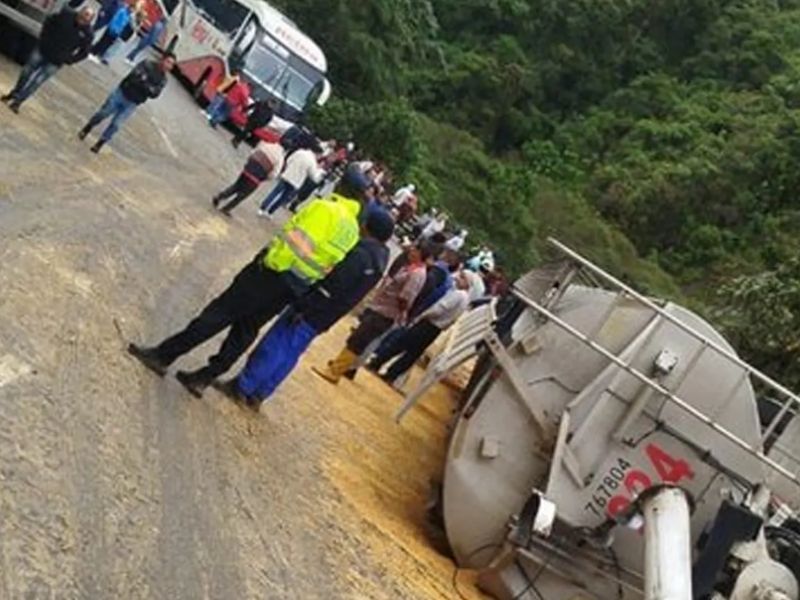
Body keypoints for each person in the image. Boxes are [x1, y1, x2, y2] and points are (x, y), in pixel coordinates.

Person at [127, 178, 368, 397]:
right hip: (295, 286)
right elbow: (327, 263)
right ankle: (204, 377)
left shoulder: (326, 208)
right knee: (246, 329)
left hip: (273, 271)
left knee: (219, 313)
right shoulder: (352, 230)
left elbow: (298, 241)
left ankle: (163, 356)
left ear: (343, 188)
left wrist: (274, 259)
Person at [214, 208, 396, 409]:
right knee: (290, 353)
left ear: (368, 228)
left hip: (312, 309)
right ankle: (259, 393)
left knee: (274, 345)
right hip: (326, 316)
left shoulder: (361, 254)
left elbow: (332, 285)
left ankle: (242, 386)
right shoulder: (379, 261)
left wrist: (304, 306)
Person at [313, 244, 430, 384]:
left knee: (359, 340)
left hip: (386, 312)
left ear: (421, 254)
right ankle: (338, 365)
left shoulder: (417, 274)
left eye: (416, 250)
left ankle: (335, 371)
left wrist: (398, 310)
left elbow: (405, 297)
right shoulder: (411, 268)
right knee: (357, 337)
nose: (411, 251)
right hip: (381, 308)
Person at [368, 272, 471, 386]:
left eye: (462, 278)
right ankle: (391, 374)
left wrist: (423, 315)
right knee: (412, 354)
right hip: (435, 330)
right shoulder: (466, 299)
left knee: (400, 344)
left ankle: (376, 363)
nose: (458, 279)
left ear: (467, 282)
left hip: (428, 323)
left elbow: (439, 308)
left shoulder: (457, 294)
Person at [2, 7, 94, 113]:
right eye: (83, 15)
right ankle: (15, 92)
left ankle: (18, 102)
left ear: (90, 21)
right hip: (43, 50)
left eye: (87, 18)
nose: (83, 19)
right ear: (80, 12)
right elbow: (49, 21)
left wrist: (69, 60)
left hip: (55, 62)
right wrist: (44, 37)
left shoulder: (88, 34)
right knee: (26, 72)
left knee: (37, 82)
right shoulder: (66, 15)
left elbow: (84, 52)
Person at [78, 53, 174, 153]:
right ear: (162, 59)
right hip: (122, 92)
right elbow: (134, 77)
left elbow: (154, 94)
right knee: (104, 113)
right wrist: (147, 86)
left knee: (116, 124)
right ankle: (88, 127)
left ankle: (100, 143)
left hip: (133, 103)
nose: (168, 66)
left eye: (171, 64)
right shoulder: (147, 64)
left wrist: (144, 81)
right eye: (168, 62)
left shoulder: (163, 80)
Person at [212, 140, 285, 215]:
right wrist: (264, 178)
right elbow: (274, 174)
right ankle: (226, 209)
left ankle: (219, 196)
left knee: (236, 186)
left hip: (248, 169)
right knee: (242, 195)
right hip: (256, 178)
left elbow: (253, 153)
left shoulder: (266, 145)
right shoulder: (280, 158)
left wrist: (249, 164)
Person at [258, 141, 325, 217]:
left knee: (275, 192)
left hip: (287, 175)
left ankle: (262, 208)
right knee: (283, 198)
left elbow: (289, 159)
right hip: (296, 181)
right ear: (317, 153)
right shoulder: (313, 162)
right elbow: (313, 176)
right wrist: (319, 171)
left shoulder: (300, 152)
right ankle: (270, 212)